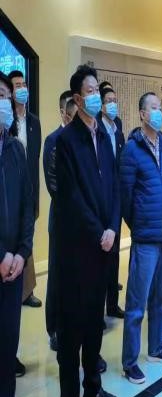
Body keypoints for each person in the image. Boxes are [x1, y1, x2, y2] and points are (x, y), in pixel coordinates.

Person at [55, 65, 120, 397]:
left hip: (104, 247)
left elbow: (114, 187)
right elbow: (71, 197)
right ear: (78, 99)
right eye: (91, 91)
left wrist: (112, 226)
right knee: (72, 330)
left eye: (98, 89)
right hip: (78, 250)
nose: (97, 96)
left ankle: (93, 388)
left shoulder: (105, 136)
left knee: (95, 323)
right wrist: (99, 231)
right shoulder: (67, 141)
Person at [120, 92, 162, 384]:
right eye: (153, 108)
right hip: (145, 237)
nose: (158, 112)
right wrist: (138, 224)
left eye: (160, 107)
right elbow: (125, 196)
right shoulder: (132, 149)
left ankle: (156, 348)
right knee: (136, 304)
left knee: (161, 297)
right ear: (142, 114)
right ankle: (130, 362)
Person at [0, 72, 36, 397]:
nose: (4, 102)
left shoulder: (15, 149)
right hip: (1, 260)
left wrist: (23, 252)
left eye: (6, 96)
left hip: (13, 265)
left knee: (8, 340)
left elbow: (27, 204)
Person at [7, 70, 41, 310]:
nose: (22, 89)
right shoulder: (6, 120)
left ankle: (27, 291)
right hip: (10, 189)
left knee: (27, 238)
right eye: (17, 85)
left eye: (23, 84)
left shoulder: (33, 122)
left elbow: (34, 158)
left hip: (29, 189)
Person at [43, 90, 73, 351]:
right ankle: (53, 328)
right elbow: (54, 186)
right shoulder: (53, 140)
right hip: (63, 220)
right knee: (56, 277)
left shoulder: (83, 140)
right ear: (63, 112)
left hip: (83, 225)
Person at [98, 85, 125, 320]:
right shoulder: (97, 128)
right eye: (108, 100)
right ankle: (98, 310)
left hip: (117, 195)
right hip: (101, 197)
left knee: (115, 254)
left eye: (114, 99)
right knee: (101, 257)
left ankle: (113, 305)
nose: (112, 104)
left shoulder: (118, 128)